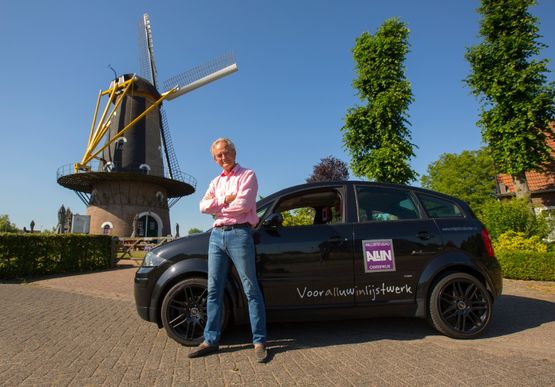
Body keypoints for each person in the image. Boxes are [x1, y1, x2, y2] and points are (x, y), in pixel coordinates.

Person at [190, 137, 268, 363]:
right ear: (214, 159)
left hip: (240, 234)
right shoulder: (215, 182)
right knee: (213, 289)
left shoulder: (248, 175)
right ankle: (210, 340)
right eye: (218, 155)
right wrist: (225, 199)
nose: (223, 158)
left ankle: (259, 340)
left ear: (234, 152)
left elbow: (243, 205)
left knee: (250, 288)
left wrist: (219, 209)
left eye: (226, 152)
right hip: (216, 237)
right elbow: (202, 206)